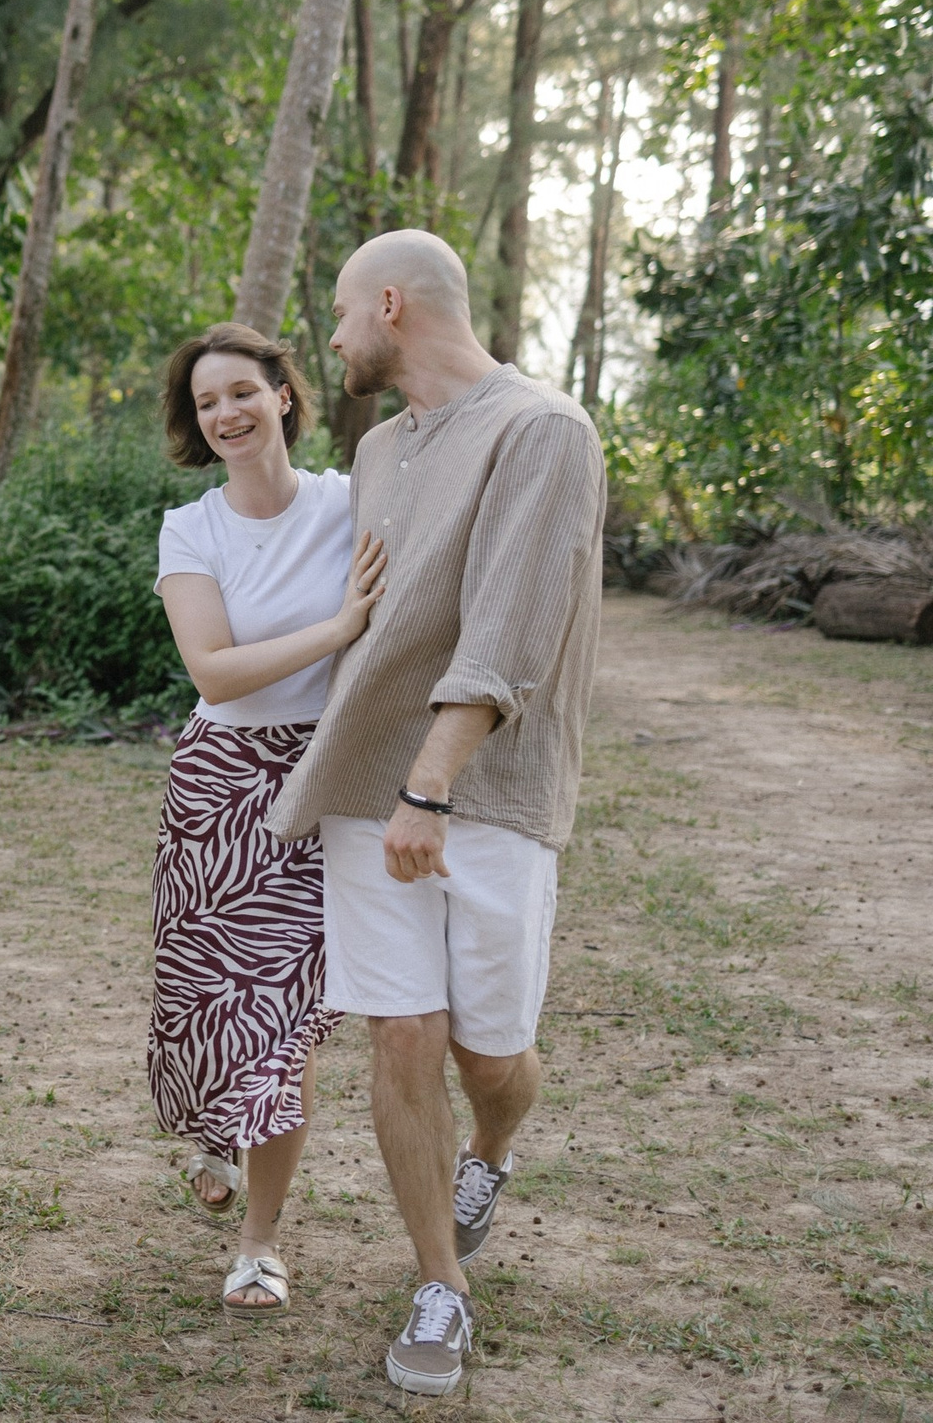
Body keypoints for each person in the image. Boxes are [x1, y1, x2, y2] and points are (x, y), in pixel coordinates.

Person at [269, 229, 605, 1397]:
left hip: (487, 795)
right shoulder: (373, 450)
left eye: (343, 311)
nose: (334, 333)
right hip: (371, 782)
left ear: (394, 306)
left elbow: (512, 630)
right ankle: (437, 1284)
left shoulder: (540, 430)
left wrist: (434, 784)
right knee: (398, 1031)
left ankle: (492, 1147)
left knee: (488, 1051)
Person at [151, 323, 386, 1320]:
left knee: (286, 1024)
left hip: (324, 779)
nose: (227, 414)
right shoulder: (191, 528)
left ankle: (258, 1245)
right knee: (215, 1007)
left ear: (283, 395)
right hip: (218, 789)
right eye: (208, 405)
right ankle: (217, 1127)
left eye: (242, 392)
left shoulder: (348, 502)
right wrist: (335, 629)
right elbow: (211, 669)